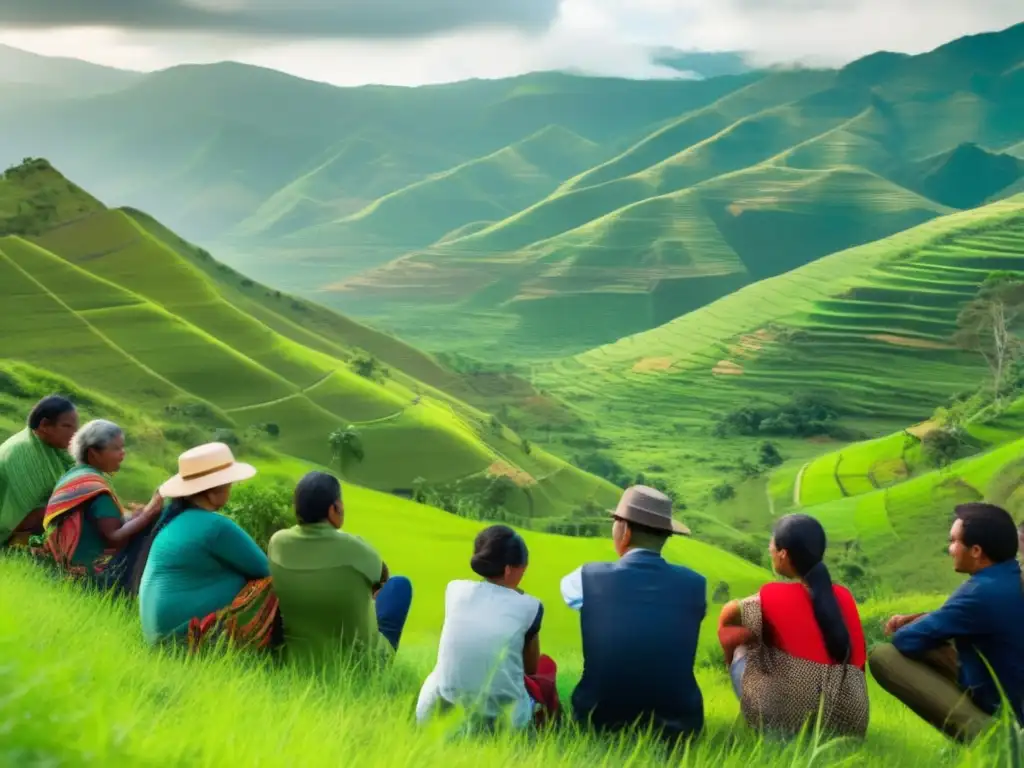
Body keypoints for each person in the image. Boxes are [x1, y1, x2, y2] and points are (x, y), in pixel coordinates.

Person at [560, 485, 705, 746]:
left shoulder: (583, 578)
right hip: (680, 725)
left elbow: (575, 598)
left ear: (624, 530)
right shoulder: (696, 584)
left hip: (597, 718)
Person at [870, 503, 1024, 742]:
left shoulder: (977, 593)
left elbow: (906, 640)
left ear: (975, 551)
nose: (950, 549)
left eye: (954, 541)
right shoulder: (1012, 576)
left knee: (883, 656)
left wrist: (915, 625)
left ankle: (993, 739)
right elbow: (970, 616)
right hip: (1013, 693)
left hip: (1009, 714)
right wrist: (927, 619)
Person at [717, 514, 868, 738]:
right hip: (851, 724)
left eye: (772, 543)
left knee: (743, 644)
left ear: (783, 554)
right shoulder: (843, 598)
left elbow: (727, 616)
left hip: (792, 722)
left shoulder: (774, 597)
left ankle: (771, 728)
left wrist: (734, 653)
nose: (769, 548)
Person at [415, 525, 560, 731]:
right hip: (501, 726)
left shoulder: (455, 590)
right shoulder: (530, 606)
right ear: (510, 569)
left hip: (438, 718)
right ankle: (551, 728)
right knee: (546, 668)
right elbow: (530, 670)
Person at [138, 442, 280, 652]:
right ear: (213, 490)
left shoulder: (173, 522)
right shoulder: (216, 527)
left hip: (157, 638)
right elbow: (267, 570)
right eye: (229, 482)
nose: (231, 487)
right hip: (182, 640)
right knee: (272, 586)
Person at [268, 471, 412, 668]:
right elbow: (382, 576)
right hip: (360, 666)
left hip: (296, 662)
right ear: (333, 508)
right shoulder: (355, 547)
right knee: (399, 585)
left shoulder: (277, 542)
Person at [39, 419, 163, 594]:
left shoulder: (75, 476)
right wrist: (148, 514)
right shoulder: (96, 489)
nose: (123, 454)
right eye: (116, 449)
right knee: (152, 532)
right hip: (88, 575)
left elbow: (95, 521)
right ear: (93, 453)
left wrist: (132, 517)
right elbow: (114, 536)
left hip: (62, 563)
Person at [0, 395, 77, 547]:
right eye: (67, 427)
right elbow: (31, 510)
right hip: (5, 528)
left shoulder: (48, 448)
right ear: (44, 426)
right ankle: (14, 546)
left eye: (75, 428)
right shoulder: (27, 452)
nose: (74, 434)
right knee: (63, 507)